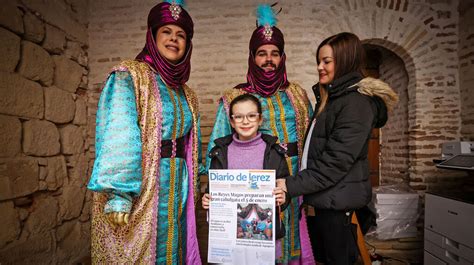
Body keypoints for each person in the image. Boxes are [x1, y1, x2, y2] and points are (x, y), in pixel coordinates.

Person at [87, 1, 204, 263]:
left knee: (174, 247)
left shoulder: (188, 94)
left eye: (181, 35)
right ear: (152, 36)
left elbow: (190, 146)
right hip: (142, 186)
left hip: (177, 183)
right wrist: (119, 195)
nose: (174, 39)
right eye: (167, 32)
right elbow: (119, 135)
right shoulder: (129, 75)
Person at [205, 4, 314, 264]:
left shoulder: (297, 94)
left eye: (275, 53)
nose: (269, 59)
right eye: (262, 53)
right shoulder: (234, 97)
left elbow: (311, 140)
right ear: (252, 57)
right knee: (253, 238)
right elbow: (217, 150)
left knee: (290, 242)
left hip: (294, 178)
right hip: (249, 184)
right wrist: (211, 191)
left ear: (282, 57)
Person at [280, 32, 399, 265]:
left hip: (338, 201)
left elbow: (334, 163)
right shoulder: (333, 98)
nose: (319, 67)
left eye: (327, 61)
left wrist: (290, 185)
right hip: (328, 198)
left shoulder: (355, 104)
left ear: (344, 61)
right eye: (319, 61)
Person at [202, 94, 288, 243]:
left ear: (260, 119)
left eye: (251, 116)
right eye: (239, 117)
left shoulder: (274, 152)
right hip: (227, 236)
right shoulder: (220, 152)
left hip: (263, 238)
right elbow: (212, 191)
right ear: (232, 121)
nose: (245, 121)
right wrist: (207, 199)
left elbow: (284, 189)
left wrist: (283, 197)